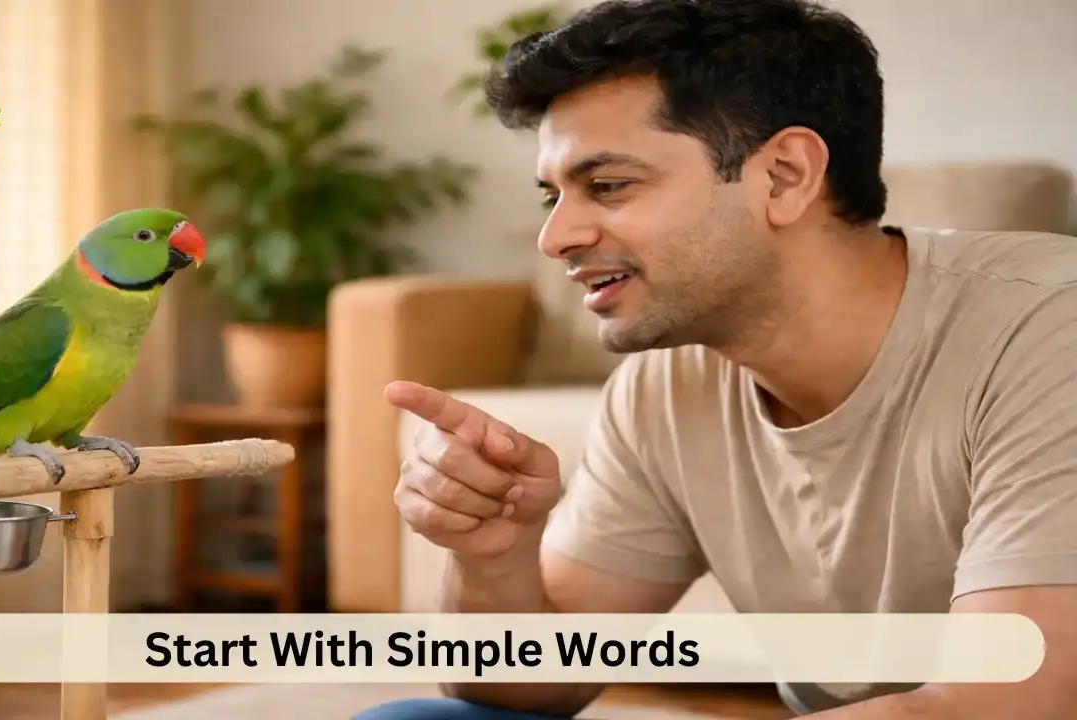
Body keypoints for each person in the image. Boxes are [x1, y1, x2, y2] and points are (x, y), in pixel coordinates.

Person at [353, 0, 1077, 718]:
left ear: (785, 176)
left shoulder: (1047, 325)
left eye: (608, 186)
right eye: (554, 195)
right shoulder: (666, 387)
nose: (555, 237)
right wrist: (493, 555)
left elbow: (1014, 701)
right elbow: (524, 689)